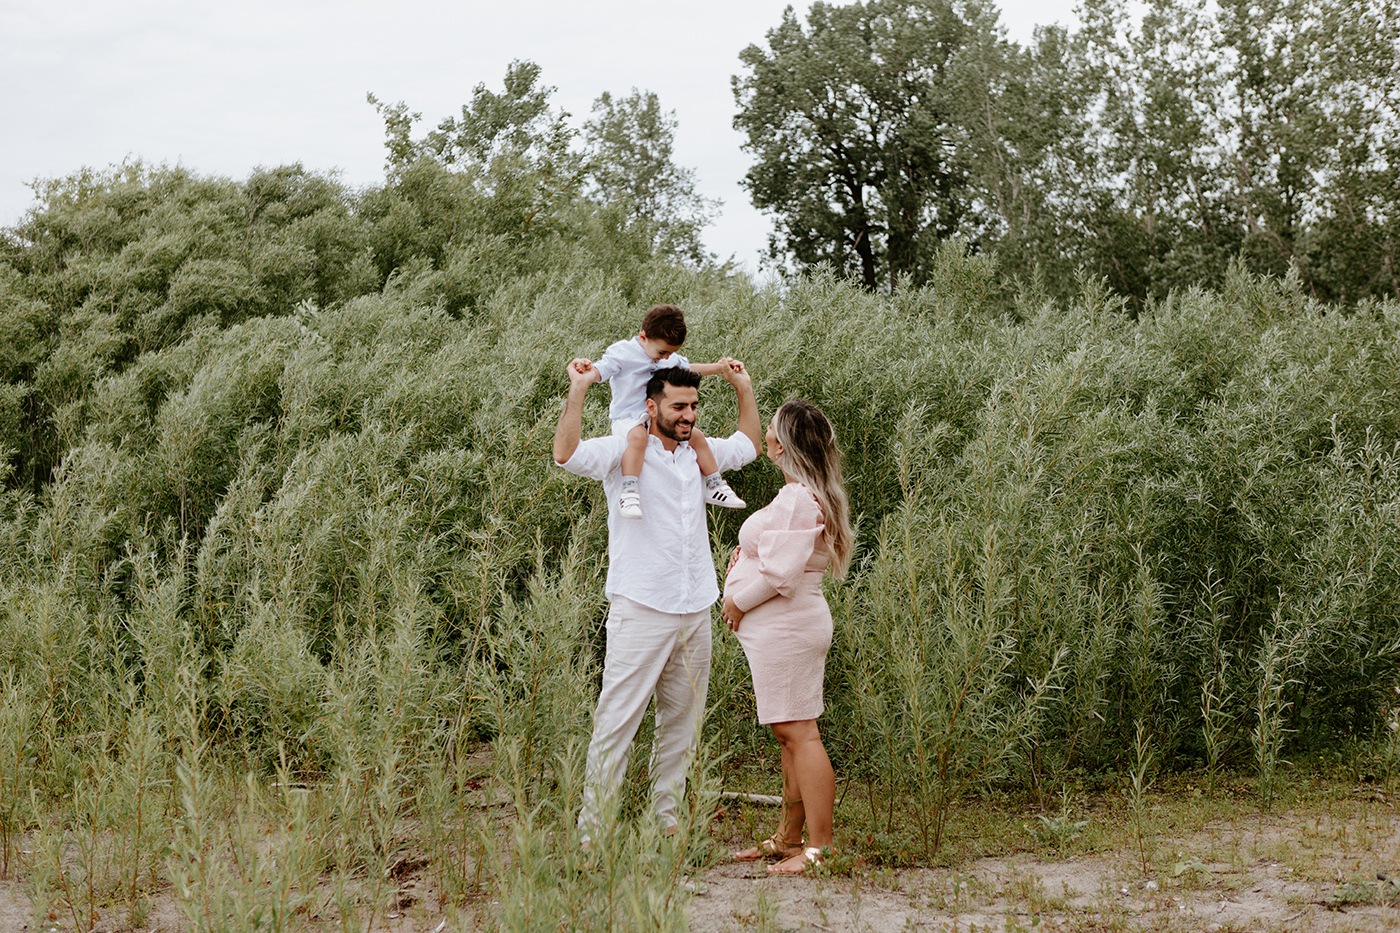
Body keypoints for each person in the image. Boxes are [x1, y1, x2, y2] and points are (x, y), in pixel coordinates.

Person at [553, 356, 761, 844]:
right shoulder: (627, 447)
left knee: (682, 725)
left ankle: (664, 821)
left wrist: (743, 387)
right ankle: (594, 834)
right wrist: (579, 390)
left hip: (696, 607)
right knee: (617, 722)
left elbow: (750, 444)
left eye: (693, 406)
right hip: (641, 605)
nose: (688, 415)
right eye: (678, 406)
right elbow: (566, 453)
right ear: (651, 405)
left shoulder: (698, 453)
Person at [720, 400, 854, 875]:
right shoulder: (798, 493)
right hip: (783, 631)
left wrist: (737, 602)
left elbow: (781, 575)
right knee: (788, 733)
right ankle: (788, 837)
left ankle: (819, 849)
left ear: (783, 444)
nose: (768, 437)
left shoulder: (798, 499)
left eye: (772, 429)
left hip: (790, 629)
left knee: (801, 732)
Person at [572, 304, 746, 519]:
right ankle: (629, 490)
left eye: (672, 353)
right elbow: (602, 369)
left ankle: (714, 483)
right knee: (637, 438)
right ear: (643, 337)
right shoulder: (624, 352)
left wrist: (720, 368)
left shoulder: (668, 358)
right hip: (628, 417)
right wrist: (586, 372)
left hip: (656, 417)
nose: (665, 358)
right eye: (662, 352)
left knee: (696, 436)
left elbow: (689, 368)